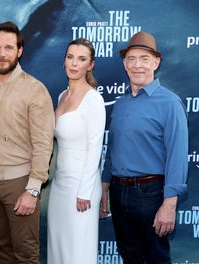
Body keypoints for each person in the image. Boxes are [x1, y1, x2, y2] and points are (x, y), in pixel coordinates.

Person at [0, 21, 54, 264]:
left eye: (8, 47)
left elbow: (43, 144)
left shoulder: (35, 90)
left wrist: (33, 188)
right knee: (1, 250)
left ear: (19, 50)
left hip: (19, 184)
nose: (2, 54)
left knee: (25, 254)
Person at [100, 31, 188, 263]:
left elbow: (177, 157)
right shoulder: (120, 104)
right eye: (131, 59)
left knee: (156, 258)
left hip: (151, 195)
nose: (137, 65)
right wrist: (104, 189)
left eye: (144, 59)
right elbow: (112, 151)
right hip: (119, 193)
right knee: (129, 256)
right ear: (125, 64)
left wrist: (169, 204)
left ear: (156, 62)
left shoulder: (169, 103)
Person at [47, 38, 106, 263]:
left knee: (77, 253)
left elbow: (95, 148)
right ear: (64, 61)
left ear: (90, 65)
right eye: (70, 57)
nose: (74, 63)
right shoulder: (62, 96)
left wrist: (84, 192)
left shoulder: (93, 99)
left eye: (81, 59)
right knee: (58, 248)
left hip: (82, 188)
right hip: (60, 185)